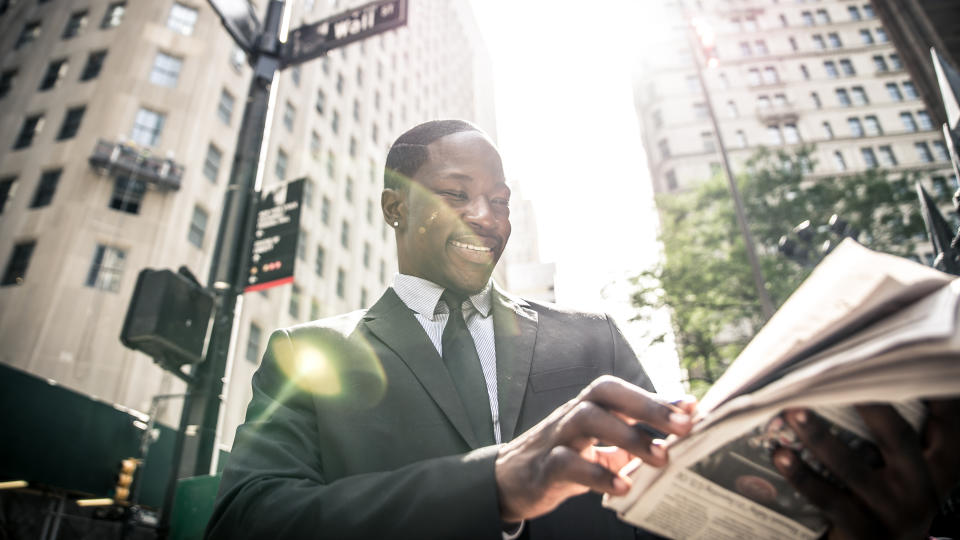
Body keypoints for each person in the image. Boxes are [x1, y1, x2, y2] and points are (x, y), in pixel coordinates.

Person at [206, 120, 960, 539]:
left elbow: (675, 512)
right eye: (455, 194)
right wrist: (495, 484)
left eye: (499, 199)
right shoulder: (310, 352)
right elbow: (245, 520)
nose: (485, 216)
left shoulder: (592, 338)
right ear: (395, 208)